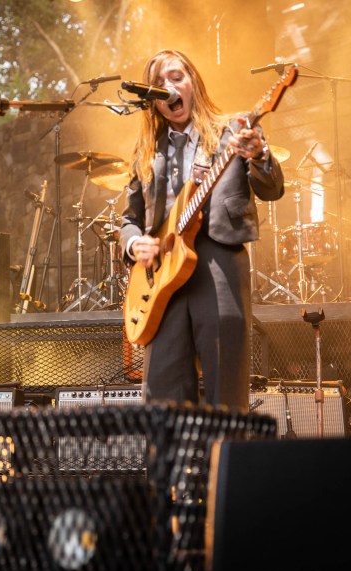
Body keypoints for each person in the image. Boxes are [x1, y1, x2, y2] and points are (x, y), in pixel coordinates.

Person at [119, 49, 285, 411]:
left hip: (218, 264)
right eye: (159, 85)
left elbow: (272, 190)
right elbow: (129, 219)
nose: (169, 88)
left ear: (194, 81)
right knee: (162, 401)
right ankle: (170, 469)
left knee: (226, 392)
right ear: (152, 101)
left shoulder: (233, 131)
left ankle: (227, 467)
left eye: (177, 77)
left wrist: (259, 156)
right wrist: (136, 246)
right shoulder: (147, 152)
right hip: (162, 280)